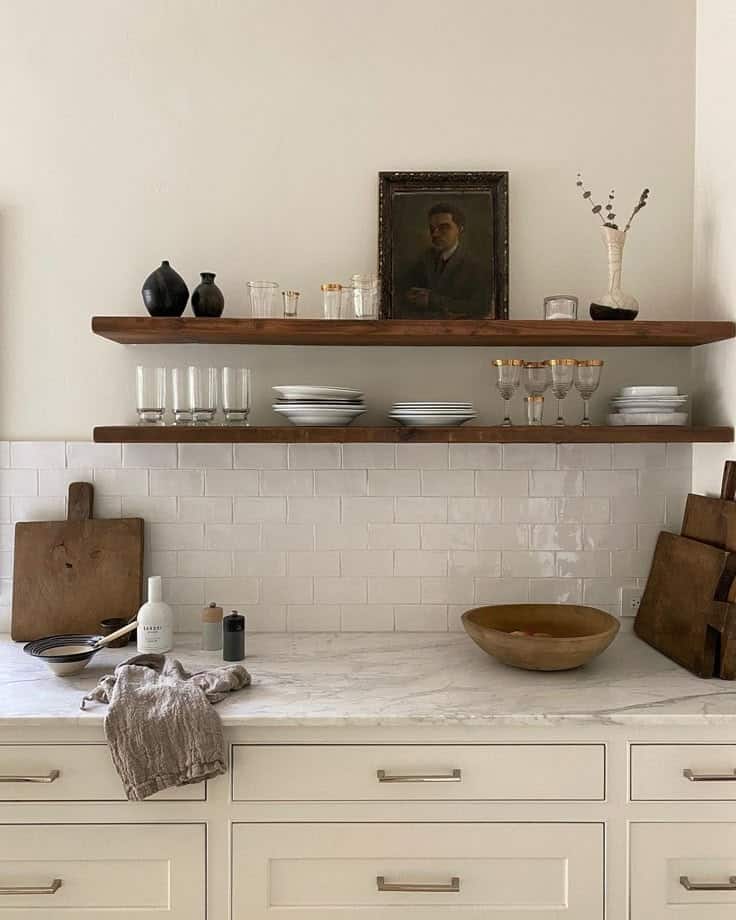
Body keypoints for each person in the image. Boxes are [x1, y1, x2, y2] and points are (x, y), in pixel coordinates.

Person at [402, 202, 489, 318]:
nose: (435, 234)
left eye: (444, 227)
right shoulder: (423, 260)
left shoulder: (476, 267)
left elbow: (480, 308)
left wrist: (432, 300)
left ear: (460, 229)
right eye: (432, 228)